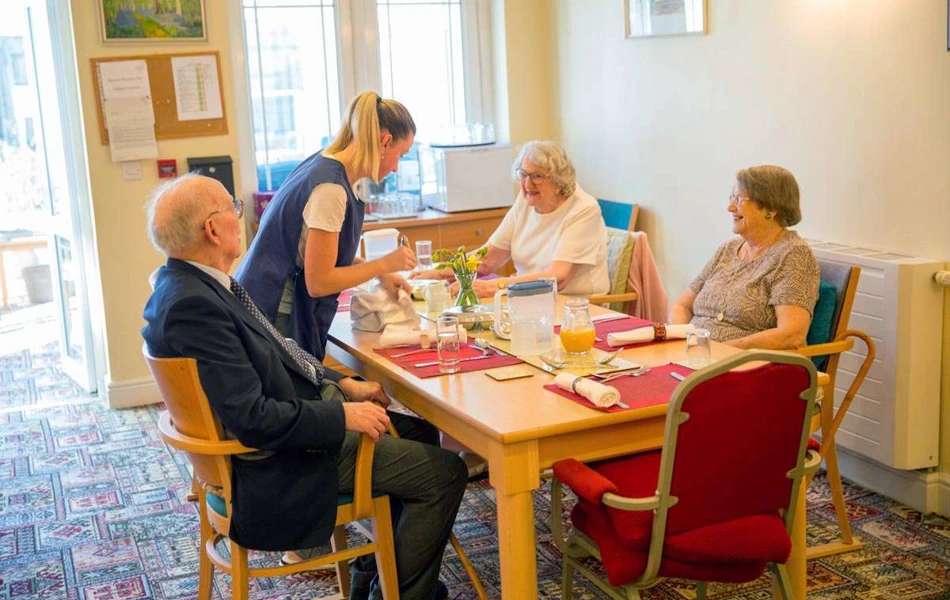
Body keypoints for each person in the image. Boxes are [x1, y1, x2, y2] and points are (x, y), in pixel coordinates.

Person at [142, 175, 466, 600]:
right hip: (274, 466)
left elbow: (279, 353)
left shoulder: (191, 285)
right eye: (233, 209)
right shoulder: (195, 307)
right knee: (447, 473)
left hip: (284, 435)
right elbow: (253, 419)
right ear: (212, 229)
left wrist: (342, 382)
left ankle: (377, 580)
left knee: (420, 434)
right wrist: (342, 415)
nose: (241, 218)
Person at [235, 91, 418, 360]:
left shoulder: (323, 164)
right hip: (273, 315)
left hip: (258, 303)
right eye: (400, 154)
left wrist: (381, 275)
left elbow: (323, 252)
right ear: (385, 141)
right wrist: (384, 264)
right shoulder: (331, 190)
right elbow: (319, 282)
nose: (396, 168)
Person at [413, 140, 609, 298]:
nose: (527, 184)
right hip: (528, 300)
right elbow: (488, 258)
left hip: (578, 309)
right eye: (523, 174)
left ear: (559, 182)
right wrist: (439, 272)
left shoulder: (584, 210)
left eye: (537, 176)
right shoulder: (527, 201)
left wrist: (492, 287)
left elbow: (558, 278)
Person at [669, 165, 819, 349]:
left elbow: (791, 335)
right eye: (732, 197)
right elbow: (681, 306)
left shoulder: (793, 254)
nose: (730, 207)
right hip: (697, 355)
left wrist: (720, 351)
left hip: (748, 363)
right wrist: (681, 339)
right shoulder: (728, 249)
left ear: (770, 209)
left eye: (740, 199)